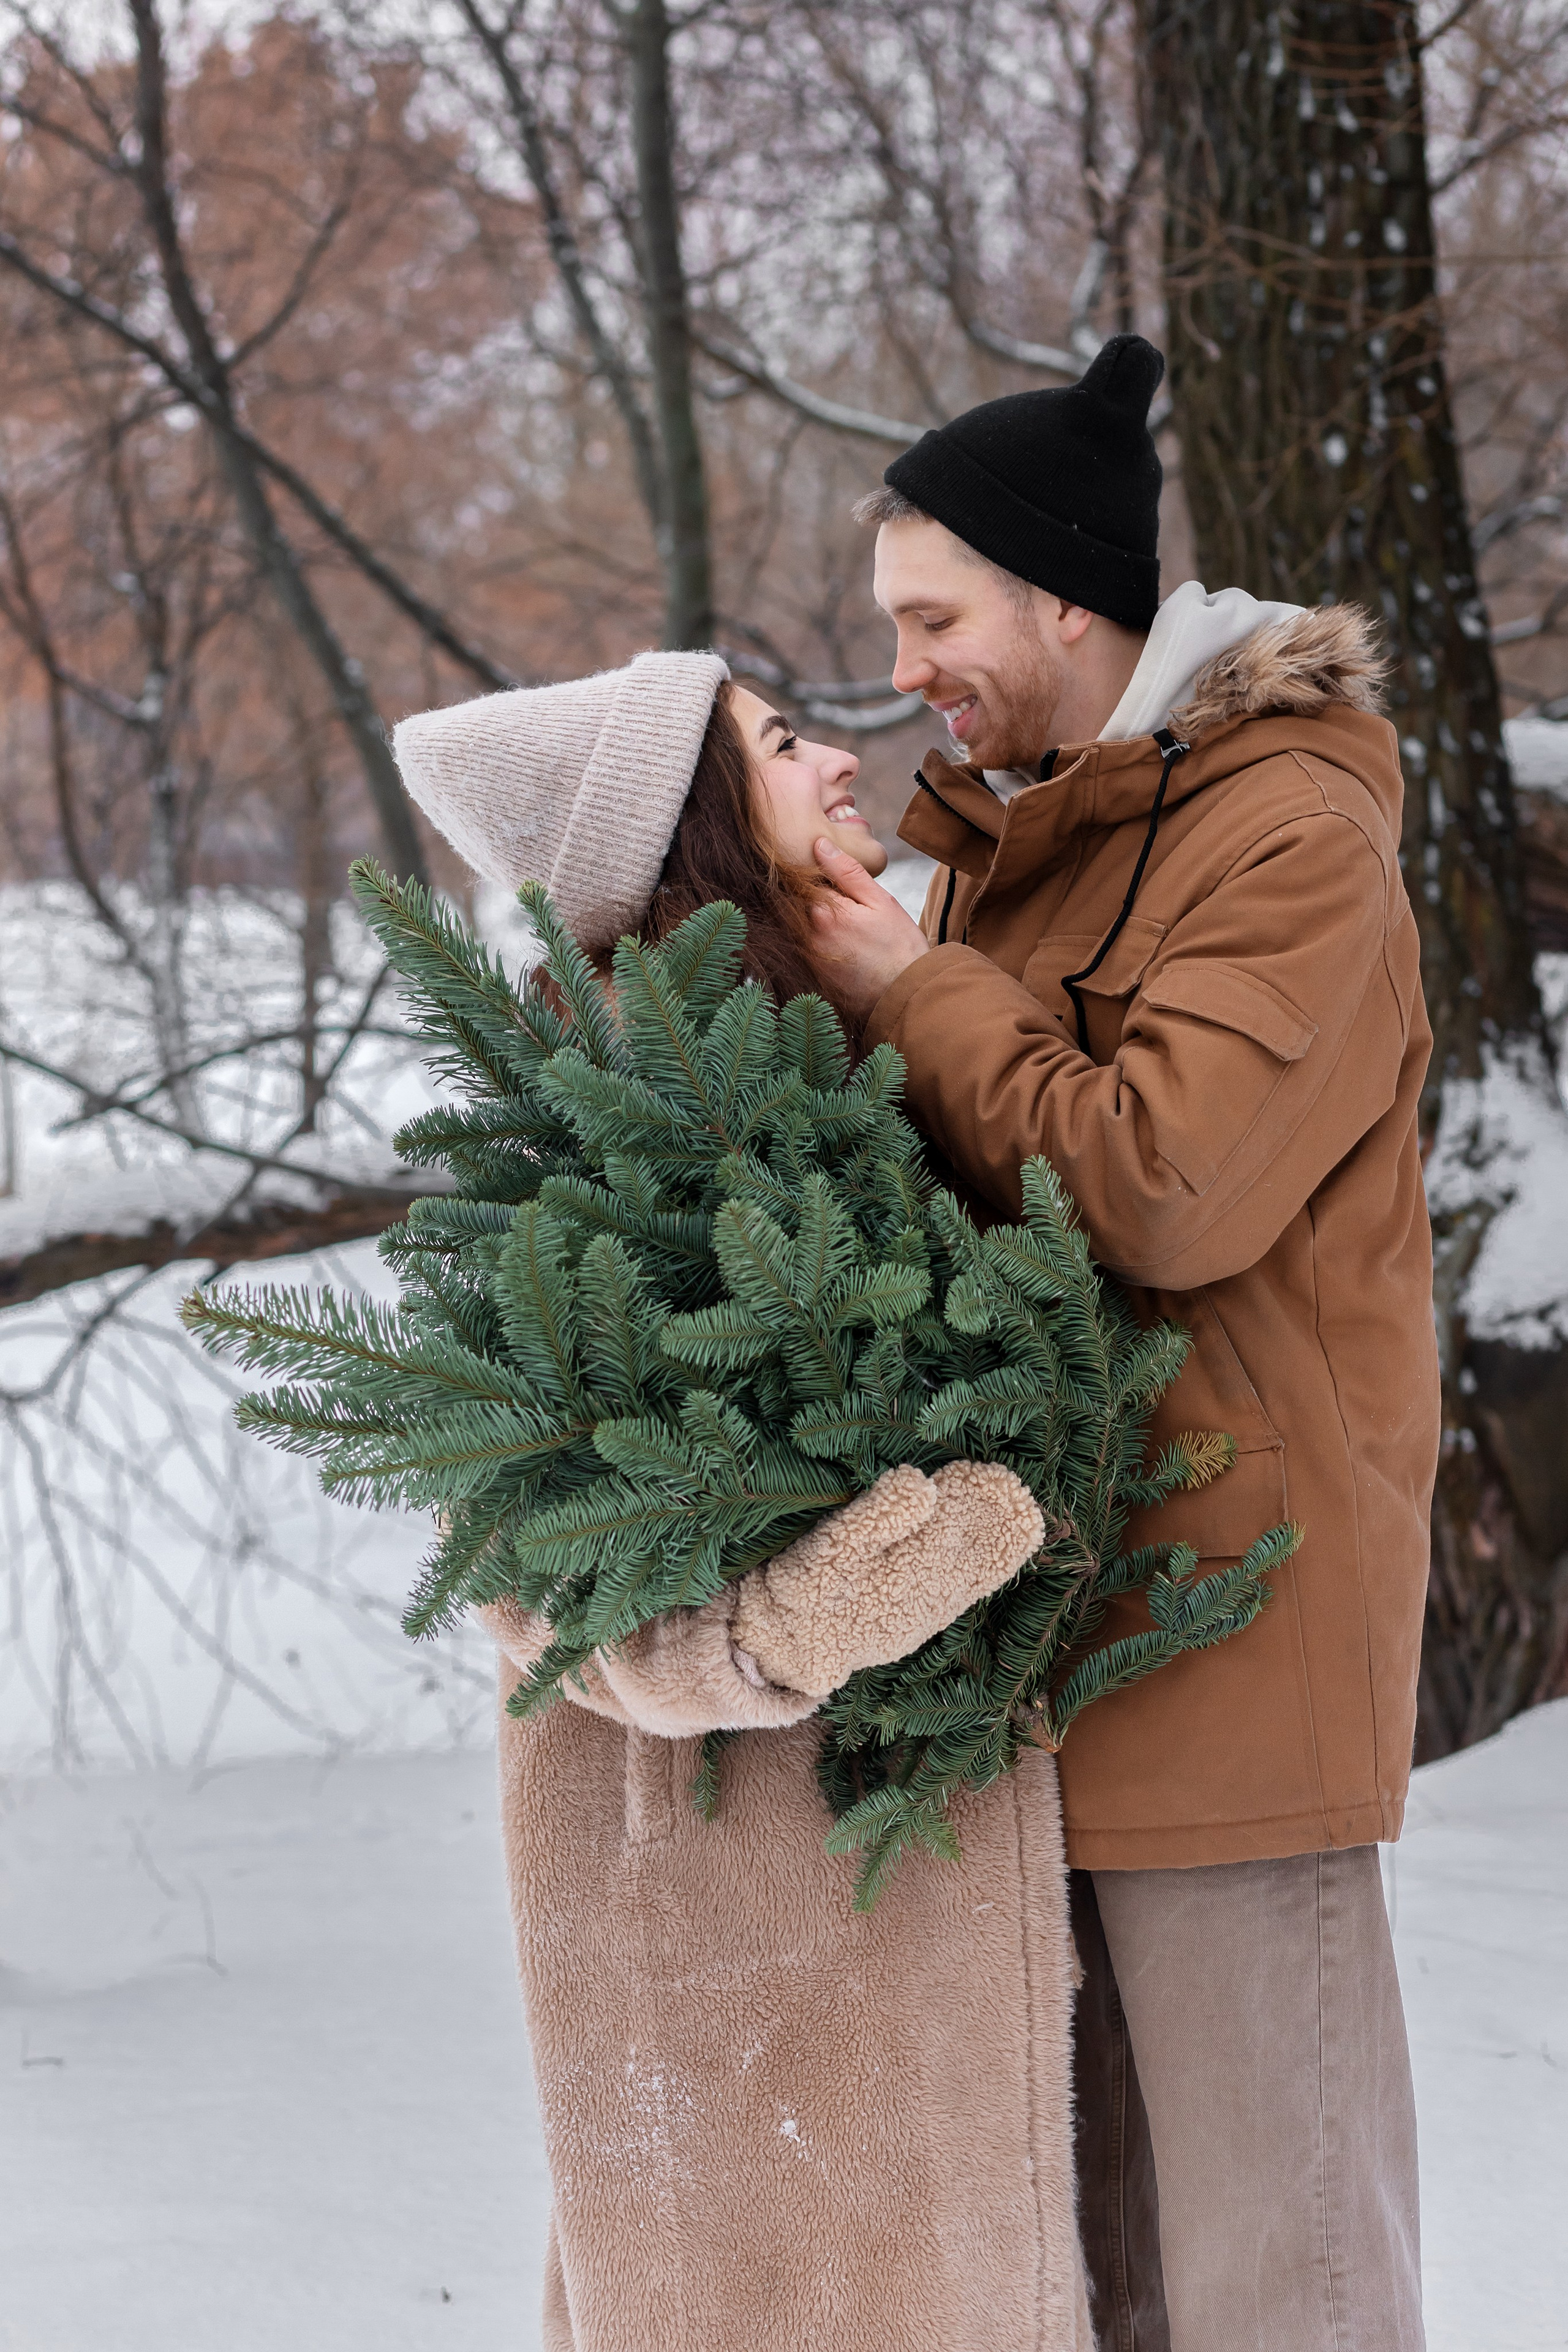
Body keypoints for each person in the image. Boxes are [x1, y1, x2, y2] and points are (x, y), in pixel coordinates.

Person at [807, 332, 1440, 2352]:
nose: (906, 666)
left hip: (1237, 1642)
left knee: (1290, 2279)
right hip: (1056, 1640)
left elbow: (1161, 1185)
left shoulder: (1290, 843)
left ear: (1065, 598)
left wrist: (910, 988)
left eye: (935, 616)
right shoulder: (1028, 844)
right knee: (1104, 2288)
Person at [391, 657, 1096, 2352]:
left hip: (908, 1908)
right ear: (686, 823)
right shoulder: (593, 1131)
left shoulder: (846, 1063)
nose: (845, 762)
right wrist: (828, 1602)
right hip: (737, 1939)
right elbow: (549, 1586)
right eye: (783, 746)